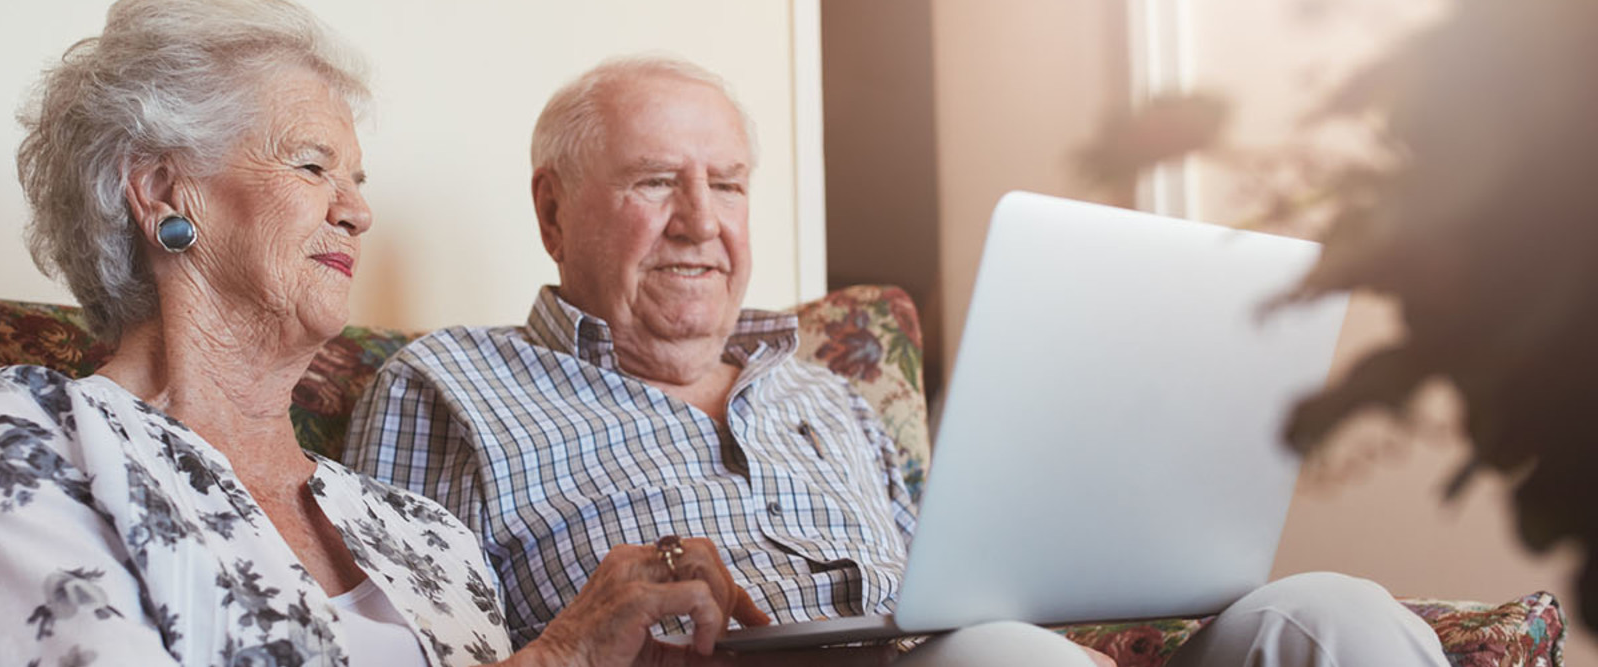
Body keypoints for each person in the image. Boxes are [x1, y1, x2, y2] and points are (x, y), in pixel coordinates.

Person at [343, 56, 1452, 666]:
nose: (699, 220)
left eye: (726, 183)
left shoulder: (827, 388)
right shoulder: (446, 388)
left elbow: (956, 584)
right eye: (652, 182)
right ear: (552, 209)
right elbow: (414, 653)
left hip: (953, 649)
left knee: (1330, 616)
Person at [0, 4, 769, 666]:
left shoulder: (419, 531)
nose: (359, 209)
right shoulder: (32, 444)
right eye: (312, 166)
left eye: (359, 176)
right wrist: (559, 656)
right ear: (159, 191)